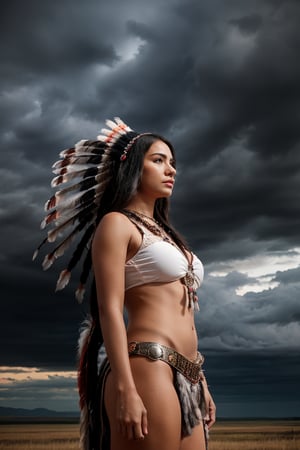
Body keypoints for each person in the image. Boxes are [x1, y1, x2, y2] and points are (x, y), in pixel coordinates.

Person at [34, 117, 216, 450]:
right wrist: (125, 389)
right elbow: (109, 310)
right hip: (148, 365)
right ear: (133, 167)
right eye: (158, 160)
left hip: (188, 372)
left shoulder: (168, 234)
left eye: (172, 163)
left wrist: (199, 379)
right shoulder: (117, 224)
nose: (170, 169)